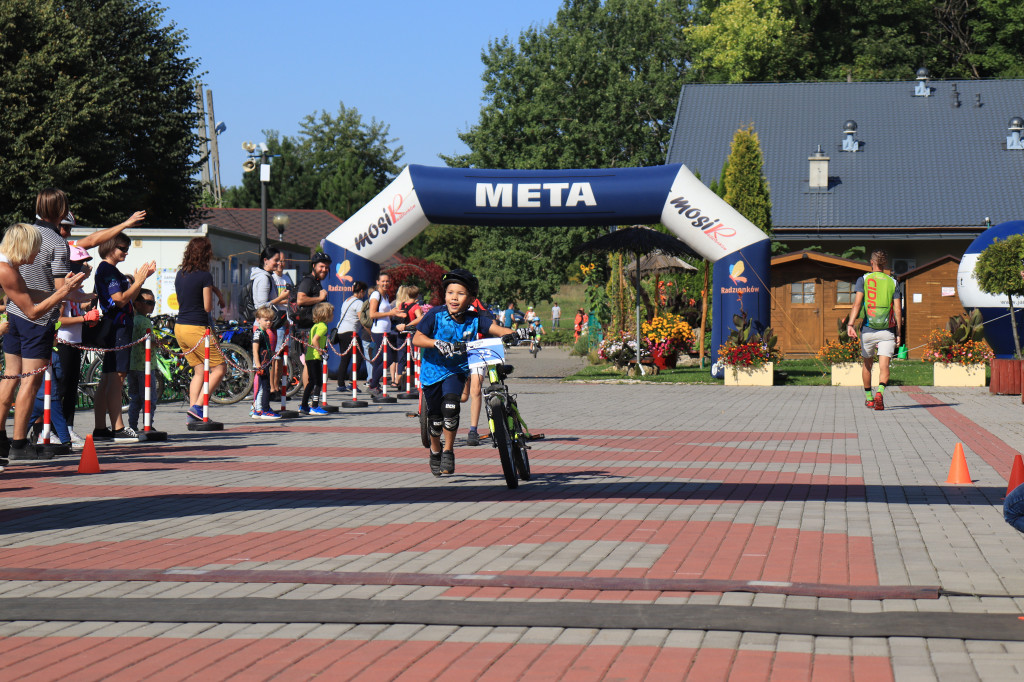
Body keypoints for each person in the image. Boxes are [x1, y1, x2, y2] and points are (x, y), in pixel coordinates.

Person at [412, 268, 525, 476]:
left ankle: (448, 451)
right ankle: (435, 449)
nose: (454, 297)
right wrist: (436, 343)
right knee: (435, 421)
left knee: (451, 406)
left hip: (456, 370)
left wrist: (516, 333)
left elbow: (497, 329)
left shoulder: (475, 319)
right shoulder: (435, 315)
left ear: (471, 298)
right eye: (450, 292)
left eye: (460, 293)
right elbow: (417, 338)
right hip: (432, 372)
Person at [0, 223, 86, 461]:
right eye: (35, 248)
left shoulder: (9, 266)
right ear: (23, 247)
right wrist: (62, 292)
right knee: (28, 381)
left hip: (13, 321)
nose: (38, 254)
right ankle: (18, 443)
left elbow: (27, 293)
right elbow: (33, 311)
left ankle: (3, 440)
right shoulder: (5, 269)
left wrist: (68, 292)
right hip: (27, 323)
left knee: (11, 376)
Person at [92, 234, 156, 442]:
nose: (126, 252)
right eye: (122, 248)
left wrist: (138, 281)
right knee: (117, 377)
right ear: (110, 247)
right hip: (118, 326)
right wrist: (139, 282)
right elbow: (119, 299)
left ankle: (101, 427)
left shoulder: (109, 270)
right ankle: (118, 427)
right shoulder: (108, 270)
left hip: (116, 326)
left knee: (107, 377)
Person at [174, 237, 227, 423]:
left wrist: (217, 292)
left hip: (180, 327)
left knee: (199, 371)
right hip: (197, 328)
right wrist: (213, 297)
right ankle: (198, 407)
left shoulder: (181, 273)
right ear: (206, 254)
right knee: (220, 368)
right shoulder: (205, 276)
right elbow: (206, 307)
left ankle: (192, 414)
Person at [846, 249, 903, 411]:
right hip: (887, 330)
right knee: (884, 366)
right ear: (884, 264)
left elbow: (857, 304)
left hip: (868, 330)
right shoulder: (893, 282)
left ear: (871, 262)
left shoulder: (863, 280)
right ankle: (880, 392)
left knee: (867, 365)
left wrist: (850, 324)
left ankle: (870, 399)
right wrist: (899, 332)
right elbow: (898, 310)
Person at [55, 245, 99, 447]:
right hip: (62, 342)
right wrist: (84, 318)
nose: (84, 267)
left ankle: (69, 428)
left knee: (72, 387)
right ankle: (55, 430)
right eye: (79, 263)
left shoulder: (76, 287)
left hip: (75, 341)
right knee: (62, 387)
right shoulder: (63, 286)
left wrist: (89, 304)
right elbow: (60, 319)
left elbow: (77, 306)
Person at [367, 272, 407, 397]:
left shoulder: (386, 296)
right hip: (379, 331)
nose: (385, 283)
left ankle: (375, 385)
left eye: (387, 281)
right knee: (388, 359)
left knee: (379, 361)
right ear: (378, 282)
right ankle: (373, 384)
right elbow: (372, 314)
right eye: (383, 281)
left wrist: (395, 313)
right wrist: (391, 313)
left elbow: (386, 313)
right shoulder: (376, 295)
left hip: (386, 331)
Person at [126, 288, 156, 433]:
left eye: (153, 302)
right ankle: (148, 425)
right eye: (148, 302)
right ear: (137, 304)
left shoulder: (132, 320)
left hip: (132, 365)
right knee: (149, 398)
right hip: (146, 366)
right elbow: (148, 342)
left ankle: (132, 426)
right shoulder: (145, 321)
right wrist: (158, 342)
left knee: (135, 398)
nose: (152, 305)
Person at [334, 281, 368, 392]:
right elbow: (362, 320)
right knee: (359, 357)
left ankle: (340, 384)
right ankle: (351, 382)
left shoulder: (346, 300)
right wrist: (370, 332)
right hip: (351, 332)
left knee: (345, 358)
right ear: (361, 291)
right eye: (364, 292)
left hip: (341, 331)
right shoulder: (358, 303)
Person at [301, 302, 333, 415]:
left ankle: (304, 405)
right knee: (318, 382)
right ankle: (314, 406)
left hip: (309, 356)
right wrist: (321, 352)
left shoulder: (315, 325)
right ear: (326, 315)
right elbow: (315, 340)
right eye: (331, 313)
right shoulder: (323, 327)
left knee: (311, 382)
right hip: (315, 357)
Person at [250, 306, 280, 420]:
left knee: (262, 388)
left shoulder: (265, 332)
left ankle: (258, 409)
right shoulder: (258, 333)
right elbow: (255, 350)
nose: (269, 323)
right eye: (266, 320)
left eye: (271, 320)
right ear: (258, 320)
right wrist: (258, 365)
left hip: (266, 363)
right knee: (265, 387)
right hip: (261, 364)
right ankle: (265, 410)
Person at [271, 258, 294, 396]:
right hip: (276, 321)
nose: (280, 263)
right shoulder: (272, 279)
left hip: (287, 320)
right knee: (276, 356)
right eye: (278, 260)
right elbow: (272, 301)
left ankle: (278, 386)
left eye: (283, 261)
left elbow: (291, 297)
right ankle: (272, 387)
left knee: (284, 356)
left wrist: (287, 298)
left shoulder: (287, 279)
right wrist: (283, 298)